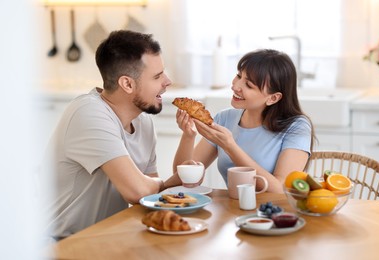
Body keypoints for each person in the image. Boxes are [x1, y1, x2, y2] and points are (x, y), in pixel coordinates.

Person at [41, 30, 187, 240]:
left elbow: (150, 196)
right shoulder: (88, 113)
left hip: (107, 237)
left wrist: (168, 184)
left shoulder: (143, 121)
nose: (168, 81)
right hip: (61, 244)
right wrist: (167, 183)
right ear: (127, 84)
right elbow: (137, 191)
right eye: (157, 76)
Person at [173, 49, 315, 193]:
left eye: (249, 85)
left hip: (272, 213)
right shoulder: (224, 119)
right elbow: (180, 179)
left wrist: (230, 147)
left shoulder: (297, 127)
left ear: (273, 98)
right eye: (238, 76)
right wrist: (188, 136)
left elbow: (280, 189)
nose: (235, 86)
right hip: (232, 210)